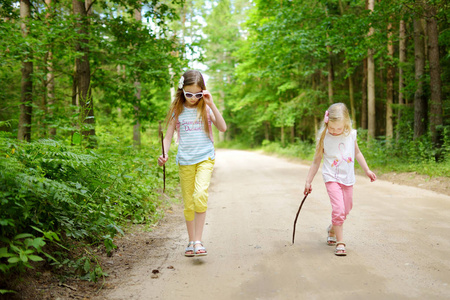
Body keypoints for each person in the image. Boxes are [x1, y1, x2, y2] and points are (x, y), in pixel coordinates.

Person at [158, 70, 227, 257]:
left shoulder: (205, 108)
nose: (194, 98)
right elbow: (168, 136)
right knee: (188, 203)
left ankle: (198, 240)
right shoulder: (177, 111)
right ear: (182, 91)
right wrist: (163, 154)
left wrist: (211, 104)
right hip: (185, 161)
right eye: (189, 94)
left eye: (198, 94)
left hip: (205, 157)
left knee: (200, 194)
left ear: (203, 92)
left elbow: (222, 127)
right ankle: (191, 242)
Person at [303, 103, 376, 256]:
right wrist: (308, 181)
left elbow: (357, 153)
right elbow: (316, 161)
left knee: (346, 209)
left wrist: (367, 170)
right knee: (338, 209)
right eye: (332, 128)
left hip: (347, 178)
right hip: (331, 177)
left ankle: (332, 228)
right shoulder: (323, 137)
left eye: (339, 129)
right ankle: (340, 242)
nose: (335, 132)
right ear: (327, 122)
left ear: (346, 124)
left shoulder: (350, 134)